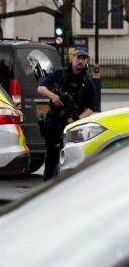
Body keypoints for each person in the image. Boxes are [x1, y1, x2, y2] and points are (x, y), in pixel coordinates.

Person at [37, 47, 96, 181]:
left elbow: (91, 107)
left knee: (72, 156)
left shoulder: (88, 82)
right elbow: (41, 88)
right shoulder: (60, 74)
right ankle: (47, 184)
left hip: (73, 124)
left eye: (84, 58)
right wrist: (52, 96)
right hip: (54, 121)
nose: (81, 61)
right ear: (72, 58)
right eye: (78, 57)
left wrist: (78, 119)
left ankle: (67, 184)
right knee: (51, 153)